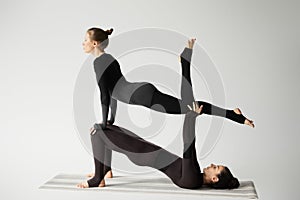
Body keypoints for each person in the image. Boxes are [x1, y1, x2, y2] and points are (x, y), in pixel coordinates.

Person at [82, 27, 255, 131]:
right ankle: (234, 114)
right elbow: (113, 92)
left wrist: (104, 123)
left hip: (141, 96)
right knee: (192, 106)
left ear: (95, 43)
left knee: (188, 107)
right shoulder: (110, 58)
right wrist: (110, 120)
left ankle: (185, 61)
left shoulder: (98, 63)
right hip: (140, 90)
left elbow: (105, 95)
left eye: (85, 41)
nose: (83, 44)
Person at [77, 102, 240, 189]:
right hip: (148, 149)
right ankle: (106, 168)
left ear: (214, 178)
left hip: (141, 153)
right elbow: (190, 145)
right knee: (108, 128)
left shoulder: (192, 180)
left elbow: (189, 143)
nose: (212, 164)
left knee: (97, 133)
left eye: (216, 167)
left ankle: (98, 178)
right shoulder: (194, 175)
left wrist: (191, 117)